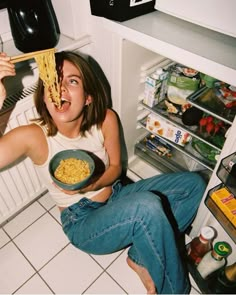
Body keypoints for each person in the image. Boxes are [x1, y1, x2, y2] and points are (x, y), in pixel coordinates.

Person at [0, 51, 206, 294]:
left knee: (194, 185)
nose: (60, 88)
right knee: (147, 206)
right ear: (44, 97)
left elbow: (116, 169)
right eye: (53, 81)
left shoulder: (106, 118)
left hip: (118, 195)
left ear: (88, 97)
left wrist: (89, 184)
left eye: (72, 81)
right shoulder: (34, 135)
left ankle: (138, 258)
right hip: (82, 221)